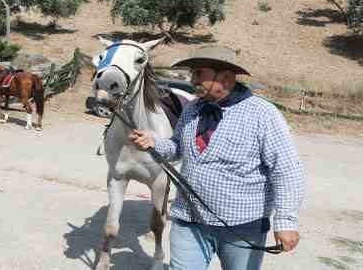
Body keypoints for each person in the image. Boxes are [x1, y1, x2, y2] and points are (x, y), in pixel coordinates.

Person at [130, 46, 306, 270]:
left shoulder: (263, 114)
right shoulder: (192, 108)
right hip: (189, 220)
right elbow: (178, 147)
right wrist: (155, 143)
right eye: (192, 73)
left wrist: (286, 221)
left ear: (225, 77)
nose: (192, 79)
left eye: (199, 73)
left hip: (242, 228)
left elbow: (286, 170)